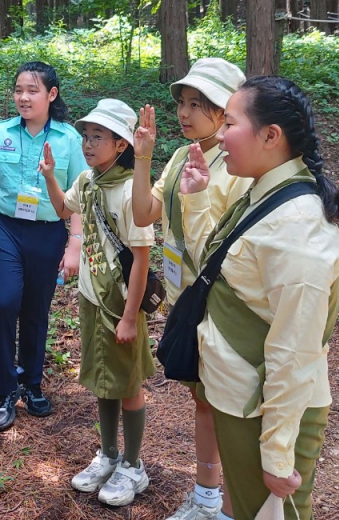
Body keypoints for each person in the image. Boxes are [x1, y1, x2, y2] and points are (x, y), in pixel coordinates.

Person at [177, 76, 339, 520]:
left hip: (260, 408)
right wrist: (197, 200)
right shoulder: (263, 194)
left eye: (230, 123)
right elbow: (217, 269)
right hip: (238, 396)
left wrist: (276, 455)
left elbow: (295, 351)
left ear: (270, 136)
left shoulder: (298, 230)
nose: (219, 136)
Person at [131, 58, 252, 520]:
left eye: (197, 103)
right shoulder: (183, 155)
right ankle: (206, 495)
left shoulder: (240, 162)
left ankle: (226, 502)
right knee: (203, 397)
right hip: (186, 296)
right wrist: (143, 158)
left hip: (222, 298)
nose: (184, 112)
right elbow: (144, 214)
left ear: (224, 110)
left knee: (224, 400)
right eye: (182, 102)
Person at [0, 61, 86, 432]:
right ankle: (3, 390)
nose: (24, 97)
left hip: (47, 233)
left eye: (32, 90)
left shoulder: (68, 139)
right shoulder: (0, 133)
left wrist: (74, 243)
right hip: (3, 229)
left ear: (51, 95)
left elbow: (78, 196)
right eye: (18, 90)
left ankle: (31, 383)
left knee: (35, 310)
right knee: (3, 300)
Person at [41, 99, 156, 508]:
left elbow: (141, 258)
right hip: (92, 298)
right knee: (103, 382)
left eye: (98, 137)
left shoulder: (129, 193)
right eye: (86, 136)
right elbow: (61, 209)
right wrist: (52, 177)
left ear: (122, 145)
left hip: (119, 303)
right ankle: (107, 454)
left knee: (127, 384)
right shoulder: (88, 182)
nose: (88, 144)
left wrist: (129, 318)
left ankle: (134, 464)